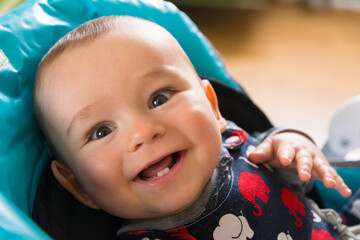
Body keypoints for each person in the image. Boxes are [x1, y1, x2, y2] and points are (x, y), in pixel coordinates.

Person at [33, 15, 357, 239]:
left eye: (159, 99)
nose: (143, 132)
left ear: (213, 108)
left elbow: (279, 156)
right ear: (78, 186)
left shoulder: (233, 142)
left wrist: (290, 143)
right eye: (101, 131)